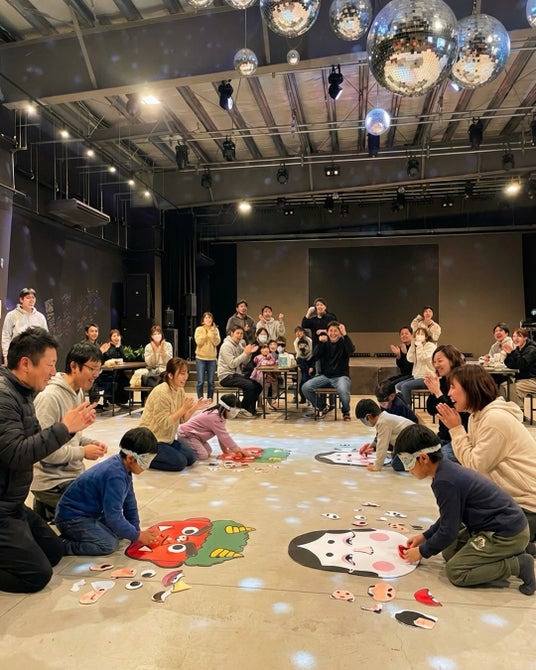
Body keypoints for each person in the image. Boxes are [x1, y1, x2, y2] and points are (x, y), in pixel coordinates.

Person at [0, 327, 95, 593]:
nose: (53, 372)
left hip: (13, 502)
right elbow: (16, 454)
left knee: (54, 552)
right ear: (26, 363)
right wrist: (64, 428)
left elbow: (36, 442)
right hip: (3, 506)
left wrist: (72, 431)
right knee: (36, 575)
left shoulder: (24, 393)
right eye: (50, 364)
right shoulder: (4, 397)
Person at [395, 423, 535, 596]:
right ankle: (511, 550)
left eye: (408, 462)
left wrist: (422, 552)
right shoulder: (445, 470)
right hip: (501, 525)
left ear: (423, 458)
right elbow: (449, 516)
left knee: (456, 571)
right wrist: (425, 536)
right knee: (449, 552)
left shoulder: (445, 482)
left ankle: (519, 564)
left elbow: (448, 530)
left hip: (505, 534)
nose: (408, 469)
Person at [435, 364, 536, 555]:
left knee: (456, 553)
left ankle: (522, 553)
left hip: (525, 505)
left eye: (453, 387)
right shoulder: (476, 416)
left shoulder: (495, 419)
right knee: (451, 545)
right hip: (502, 500)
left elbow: (475, 467)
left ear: (471, 388)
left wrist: (456, 429)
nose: (449, 393)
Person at [32, 342, 108, 521]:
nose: (96, 374)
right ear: (74, 366)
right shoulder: (49, 397)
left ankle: (50, 509)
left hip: (72, 475)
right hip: (52, 481)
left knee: (111, 495)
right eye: (92, 368)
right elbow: (44, 452)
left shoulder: (77, 392)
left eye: (99, 369)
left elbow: (70, 437)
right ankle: (50, 507)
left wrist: (89, 443)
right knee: (102, 519)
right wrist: (83, 452)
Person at [55, 427, 159, 556]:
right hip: (71, 518)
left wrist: (136, 530)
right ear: (130, 458)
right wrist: (138, 536)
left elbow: (130, 503)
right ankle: (62, 546)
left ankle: (82, 534)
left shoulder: (124, 468)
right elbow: (113, 517)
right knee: (109, 544)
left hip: (90, 514)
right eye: (145, 462)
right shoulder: (115, 476)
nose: (147, 467)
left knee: (123, 531)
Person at [139, 357, 210, 471]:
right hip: (153, 440)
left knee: (191, 457)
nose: (186, 377)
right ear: (170, 375)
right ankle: (141, 457)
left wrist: (195, 407)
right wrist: (183, 409)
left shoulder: (179, 390)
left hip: (168, 440)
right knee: (179, 463)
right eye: (182, 373)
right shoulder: (162, 392)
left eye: (186, 373)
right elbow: (164, 423)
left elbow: (182, 419)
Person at [424, 344, 469, 462]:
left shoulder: (462, 381)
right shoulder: (443, 381)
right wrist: (433, 392)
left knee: (438, 461)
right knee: (406, 458)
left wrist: (438, 393)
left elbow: (453, 412)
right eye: (434, 362)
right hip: (443, 436)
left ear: (452, 360)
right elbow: (431, 410)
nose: (436, 365)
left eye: (440, 361)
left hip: (460, 437)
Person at [302, 321, 355, 421]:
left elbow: (351, 350)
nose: (333, 333)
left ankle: (346, 411)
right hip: (326, 377)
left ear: (339, 332)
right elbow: (316, 355)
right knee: (305, 387)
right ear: (327, 332)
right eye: (331, 331)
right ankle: (321, 406)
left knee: (343, 391)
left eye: (335, 331)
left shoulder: (343, 342)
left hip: (341, 376)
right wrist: (320, 343)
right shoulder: (325, 343)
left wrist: (345, 334)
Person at [177, 394, 246, 460]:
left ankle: (187, 447)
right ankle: (179, 450)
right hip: (187, 435)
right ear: (226, 408)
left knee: (208, 451)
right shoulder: (215, 417)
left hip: (197, 437)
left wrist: (225, 451)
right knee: (202, 455)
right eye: (233, 410)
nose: (234, 413)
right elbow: (224, 437)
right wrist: (238, 450)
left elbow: (221, 436)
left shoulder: (220, 416)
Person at [355, 398, 413, 472]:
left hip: (414, 444)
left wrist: (377, 465)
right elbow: (380, 437)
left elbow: (382, 445)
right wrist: (372, 446)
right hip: (410, 442)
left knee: (396, 464)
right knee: (394, 457)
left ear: (368, 416)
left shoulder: (383, 422)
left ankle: (418, 460)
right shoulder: (383, 418)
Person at [217, 325, 262, 417]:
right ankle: (243, 410)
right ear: (231, 333)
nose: (240, 335)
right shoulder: (226, 346)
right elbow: (232, 364)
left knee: (258, 385)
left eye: (241, 333)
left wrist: (249, 353)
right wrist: (245, 353)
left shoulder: (239, 345)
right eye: (237, 333)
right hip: (226, 376)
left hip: (236, 375)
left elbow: (244, 362)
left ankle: (250, 409)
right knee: (250, 385)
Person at [2, 287, 48, 365]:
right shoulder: (12, 315)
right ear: (21, 300)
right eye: (28, 298)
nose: (31, 300)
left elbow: (45, 338)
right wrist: (6, 356)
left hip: (35, 355)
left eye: (33, 298)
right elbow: (6, 336)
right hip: (16, 354)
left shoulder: (40, 317)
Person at [395, 326, 436, 406]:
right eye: (417, 334)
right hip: (417, 376)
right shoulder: (415, 346)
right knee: (398, 386)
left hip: (428, 377)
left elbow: (422, 358)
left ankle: (408, 409)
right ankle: (404, 405)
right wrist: (413, 346)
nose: (419, 336)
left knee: (405, 387)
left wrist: (419, 346)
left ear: (426, 336)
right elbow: (410, 359)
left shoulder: (431, 346)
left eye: (422, 334)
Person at [503, 327, 536, 409]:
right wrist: (509, 354)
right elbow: (509, 364)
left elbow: (521, 363)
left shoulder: (532, 349)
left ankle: (518, 412)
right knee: (503, 386)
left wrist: (512, 352)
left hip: (532, 380)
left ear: (525, 338)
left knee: (511, 389)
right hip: (523, 379)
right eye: (514, 336)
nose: (516, 339)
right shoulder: (518, 349)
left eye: (519, 336)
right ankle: (514, 409)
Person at [194, 311, 221, 400]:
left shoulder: (215, 330)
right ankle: (200, 398)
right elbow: (199, 342)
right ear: (203, 320)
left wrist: (212, 332)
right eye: (206, 318)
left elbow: (217, 342)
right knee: (200, 381)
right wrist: (206, 334)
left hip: (212, 358)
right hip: (200, 358)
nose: (208, 319)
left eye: (210, 318)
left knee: (211, 381)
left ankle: (210, 398)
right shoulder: (199, 329)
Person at [101, 329, 130, 405]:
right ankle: (110, 399)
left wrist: (119, 347)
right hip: (109, 372)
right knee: (115, 380)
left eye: (118, 336)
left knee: (126, 380)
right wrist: (116, 347)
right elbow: (109, 357)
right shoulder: (108, 346)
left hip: (120, 372)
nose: (116, 337)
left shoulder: (121, 347)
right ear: (110, 338)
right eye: (114, 336)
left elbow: (125, 358)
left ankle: (120, 400)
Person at [250, 343, 278, 410]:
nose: (266, 350)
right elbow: (264, 363)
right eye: (263, 348)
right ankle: (261, 405)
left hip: (268, 375)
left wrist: (273, 360)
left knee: (269, 388)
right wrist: (269, 360)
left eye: (267, 348)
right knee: (263, 389)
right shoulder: (258, 357)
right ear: (260, 350)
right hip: (260, 375)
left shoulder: (270, 356)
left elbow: (274, 362)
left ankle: (269, 403)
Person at [293, 326, 314, 404]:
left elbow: (311, 351)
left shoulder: (309, 340)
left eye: (300, 331)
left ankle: (309, 398)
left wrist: (310, 364)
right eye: (296, 332)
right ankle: (303, 397)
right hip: (301, 360)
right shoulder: (295, 342)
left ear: (303, 332)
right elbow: (299, 353)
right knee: (303, 378)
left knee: (307, 378)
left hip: (310, 359)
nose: (298, 333)